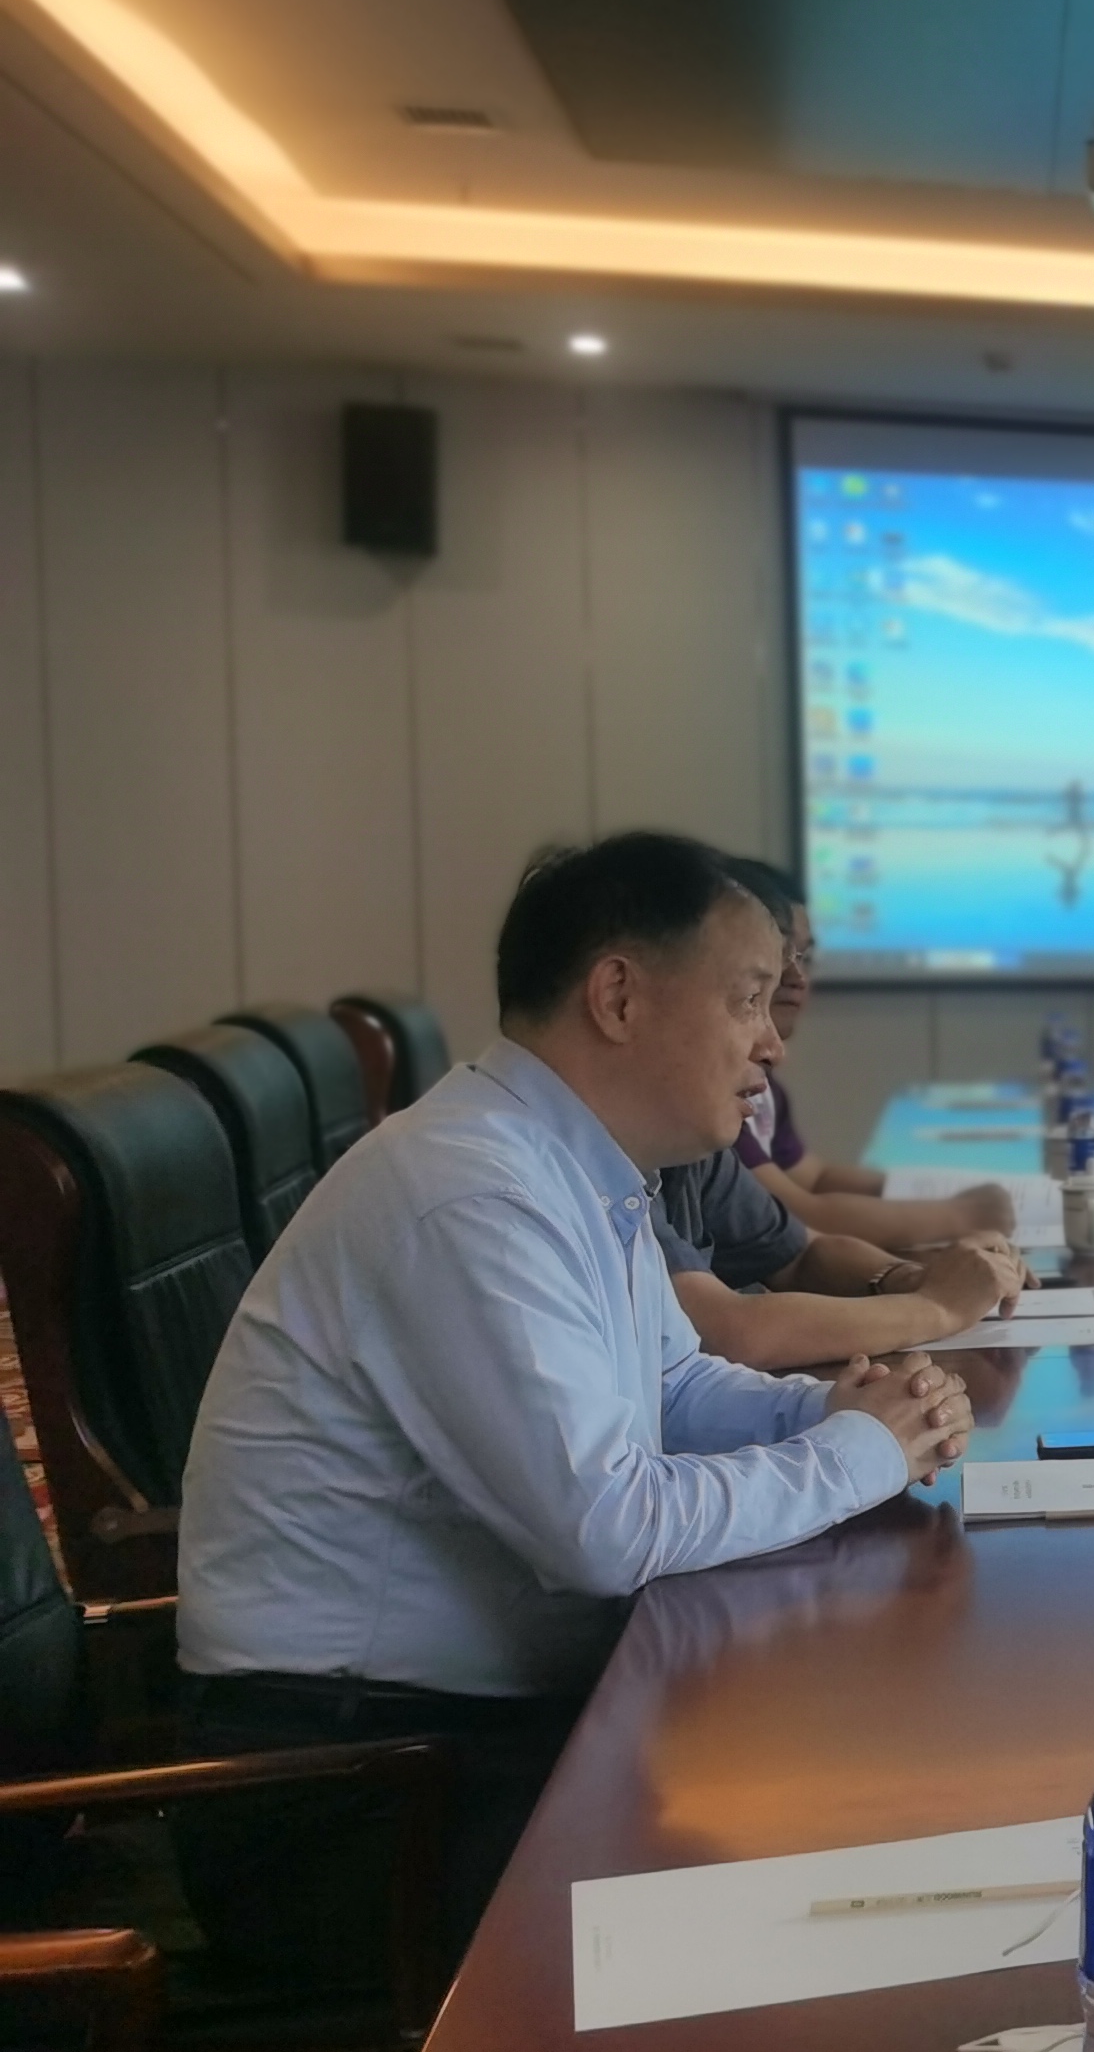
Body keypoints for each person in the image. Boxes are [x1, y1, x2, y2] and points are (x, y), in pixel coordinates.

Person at [173, 832, 972, 1977]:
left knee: (839, 1812)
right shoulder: (472, 1191)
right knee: (797, 1888)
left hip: (458, 1736)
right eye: (748, 998)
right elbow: (605, 1531)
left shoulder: (573, 1167)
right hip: (344, 1793)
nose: (772, 1042)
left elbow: (672, 1384)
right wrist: (858, 1455)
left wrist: (837, 1412)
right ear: (618, 996)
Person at [720, 856, 1016, 1249]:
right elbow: (799, 1215)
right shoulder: (717, 1093)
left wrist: (941, 1194)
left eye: (804, 957)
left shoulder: (764, 1081)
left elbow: (814, 1177)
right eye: (780, 955)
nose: (797, 976)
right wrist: (960, 1215)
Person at [655, 1138, 1023, 1372]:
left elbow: (801, 1253)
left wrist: (916, 1278)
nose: (773, 1051)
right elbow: (724, 1332)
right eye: (745, 1013)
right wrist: (940, 1306)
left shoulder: (694, 1150)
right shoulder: (628, 1167)